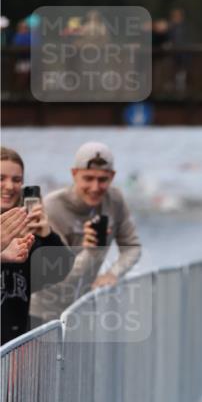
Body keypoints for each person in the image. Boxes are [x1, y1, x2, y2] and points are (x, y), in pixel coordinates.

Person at [30, 141, 141, 326]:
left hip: (84, 308)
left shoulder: (115, 200)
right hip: (44, 314)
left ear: (112, 177)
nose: (95, 187)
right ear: (74, 174)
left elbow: (133, 247)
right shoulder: (52, 207)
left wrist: (113, 274)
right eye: (88, 178)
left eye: (103, 179)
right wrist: (90, 252)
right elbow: (57, 279)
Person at [1, 147, 74, 345]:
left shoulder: (24, 233)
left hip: (12, 351)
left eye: (16, 180)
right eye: (1, 178)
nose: (9, 186)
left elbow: (59, 271)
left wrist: (47, 235)